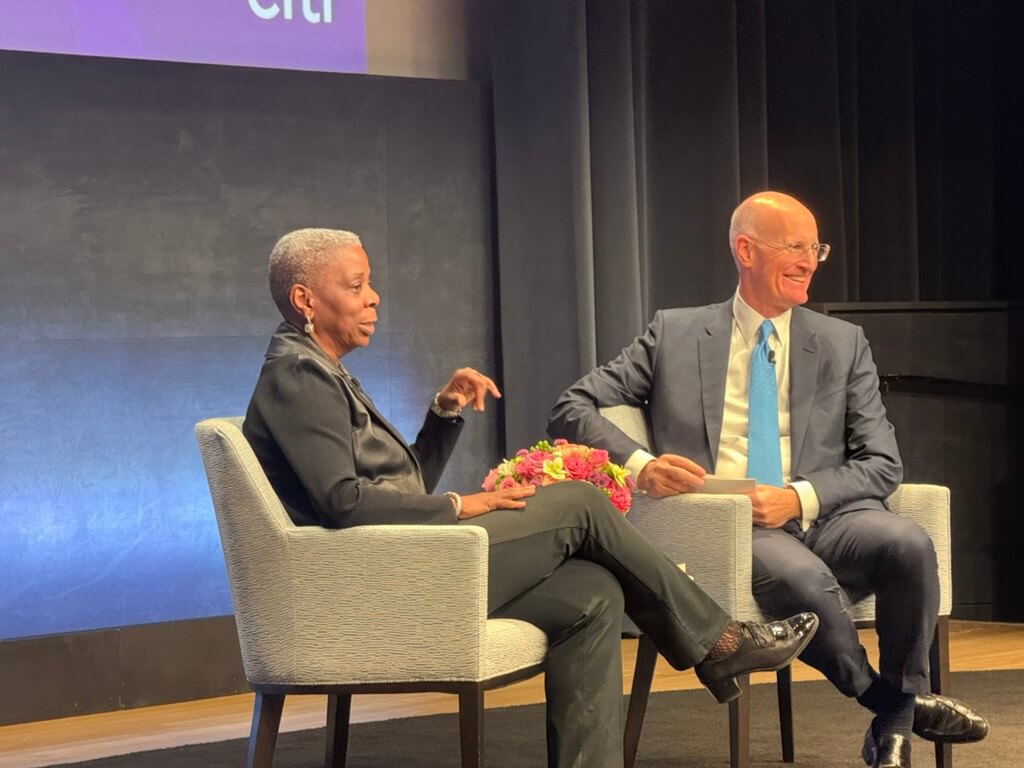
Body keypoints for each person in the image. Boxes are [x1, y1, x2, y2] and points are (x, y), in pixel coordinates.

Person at [242, 227, 818, 768]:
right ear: (305, 300)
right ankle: (719, 641)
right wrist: (463, 506)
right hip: (382, 580)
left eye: (370, 282)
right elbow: (343, 502)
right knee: (577, 503)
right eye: (356, 285)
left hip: (406, 560)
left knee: (593, 593)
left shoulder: (322, 370)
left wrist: (444, 415)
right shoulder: (299, 375)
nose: (374, 297)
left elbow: (401, 487)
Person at [548, 191, 989, 768]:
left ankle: (896, 714)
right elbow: (571, 407)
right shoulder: (675, 334)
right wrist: (642, 466)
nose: (810, 260)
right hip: (731, 526)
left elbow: (883, 464)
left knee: (909, 543)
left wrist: (796, 498)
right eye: (795, 246)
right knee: (802, 578)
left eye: (816, 247)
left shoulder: (841, 343)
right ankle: (894, 709)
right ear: (746, 249)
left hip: (824, 513)